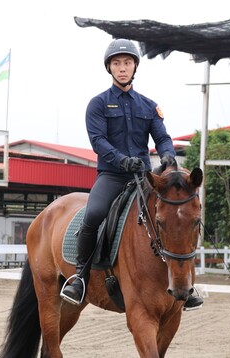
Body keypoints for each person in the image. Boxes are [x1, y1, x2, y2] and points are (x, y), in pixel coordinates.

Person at [60, 38, 203, 310]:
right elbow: (98, 141)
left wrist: (167, 154)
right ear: (110, 68)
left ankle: (187, 283)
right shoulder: (98, 104)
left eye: (127, 63)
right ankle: (79, 276)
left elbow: (162, 136)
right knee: (93, 214)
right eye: (117, 63)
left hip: (145, 177)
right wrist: (122, 160)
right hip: (112, 175)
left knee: (176, 218)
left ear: (134, 66)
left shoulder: (148, 106)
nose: (122, 68)